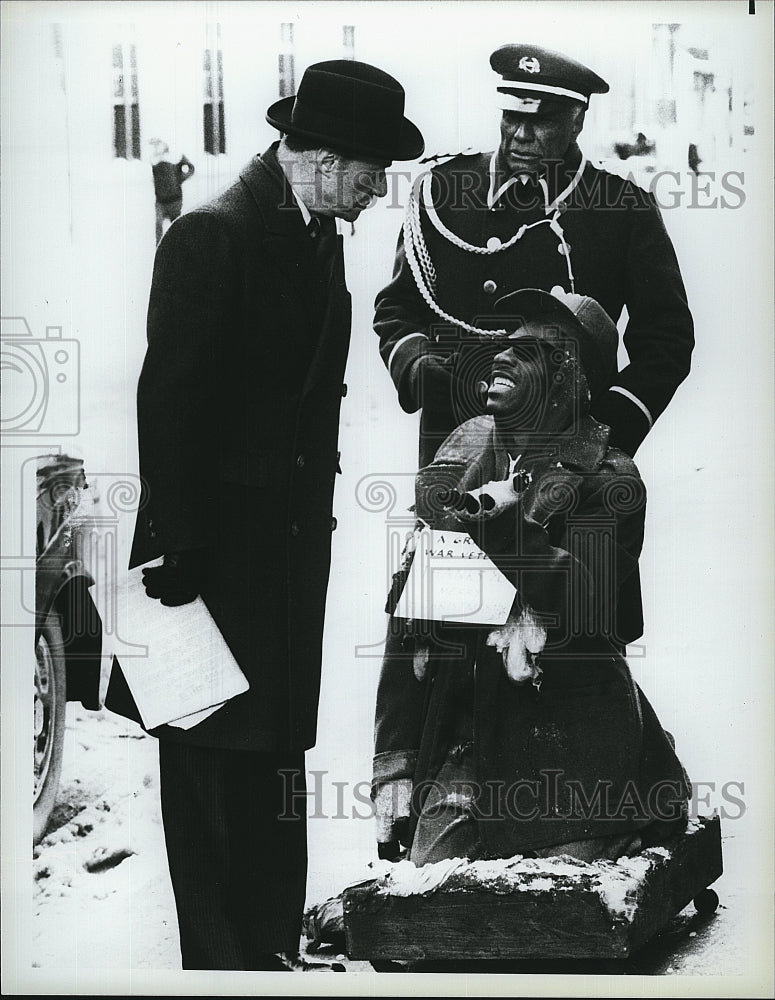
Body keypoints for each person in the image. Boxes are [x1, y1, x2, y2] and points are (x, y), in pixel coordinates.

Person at [106, 60, 424, 971]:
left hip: (283, 559)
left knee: (275, 759)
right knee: (211, 769)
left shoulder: (313, 232)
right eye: (367, 177)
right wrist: (181, 548)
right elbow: (169, 399)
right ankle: (221, 967)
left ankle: (270, 952)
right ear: (321, 160)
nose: (372, 197)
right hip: (210, 566)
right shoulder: (215, 236)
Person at [373, 288, 690, 866]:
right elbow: (412, 624)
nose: (500, 356)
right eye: (504, 345)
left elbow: (584, 609)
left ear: (571, 380)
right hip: (469, 735)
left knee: (552, 890)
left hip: (570, 739)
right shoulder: (460, 462)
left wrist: (503, 527)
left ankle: (644, 792)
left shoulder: (611, 480)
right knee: (436, 877)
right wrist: (393, 765)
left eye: (528, 352)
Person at [374, 43, 695, 467]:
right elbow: (397, 306)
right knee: (449, 534)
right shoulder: (443, 193)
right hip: (456, 450)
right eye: (512, 118)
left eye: (540, 122)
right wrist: (417, 366)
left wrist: (603, 433)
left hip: (569, 462)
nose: (521, 137)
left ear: (576, 121)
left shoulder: (622, 208)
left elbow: (666, 340)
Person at [149, 138, 195, 244]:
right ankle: (159, 248)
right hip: (161, 201)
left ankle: (179, 247)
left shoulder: (174, 160)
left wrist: (181, 179)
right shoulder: (155, 162)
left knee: (176, 226)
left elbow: (191, 168)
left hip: (174, 200)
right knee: (159, 225)